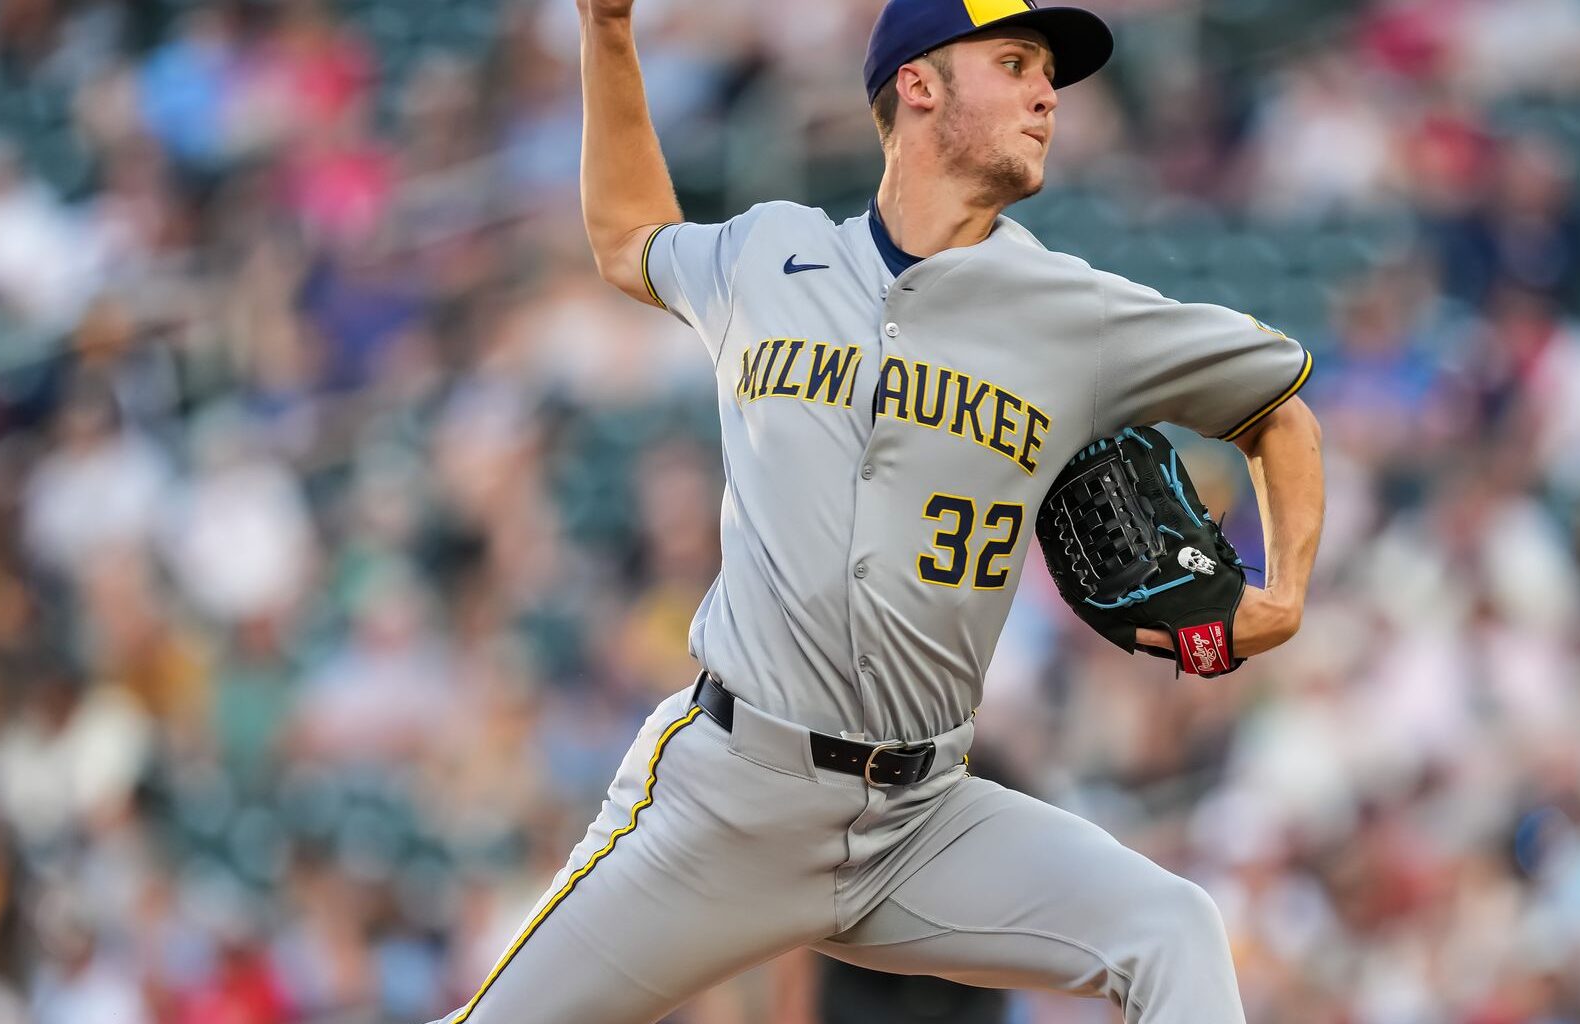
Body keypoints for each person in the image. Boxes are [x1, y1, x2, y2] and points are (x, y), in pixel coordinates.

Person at [431, 0, 1325, 1020]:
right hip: (729, 800)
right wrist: (609, 35)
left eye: (1049, 73)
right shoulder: (770, 254)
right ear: (919, 83)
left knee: (1172, 927)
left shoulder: (1077, 313)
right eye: (1017, 61)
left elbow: (1277, 408)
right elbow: (629, 235)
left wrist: (1284, 590)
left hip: (923, 819)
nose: (1048, 93)